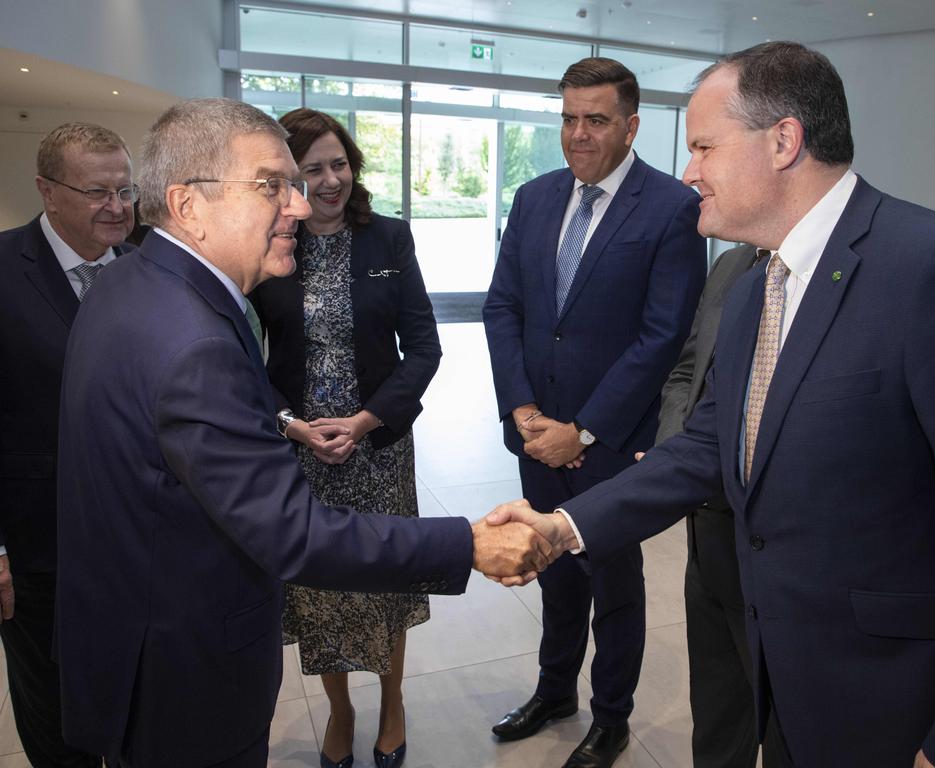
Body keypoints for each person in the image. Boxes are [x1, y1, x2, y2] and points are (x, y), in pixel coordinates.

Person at [489, 41, 935, 768]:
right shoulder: (749, 291)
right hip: (782, 677)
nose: (689, 170)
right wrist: (563, 528)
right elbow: (706, 448)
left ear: (783, 142)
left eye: (705, 146)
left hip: (897, 711)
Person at [54, 97, 551, 768]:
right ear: (189, 205)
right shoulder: (190, 337)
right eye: (272, 185)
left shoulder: (130, 283)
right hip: (183, 673)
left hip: (135, 642)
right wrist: (468, 543)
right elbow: (293, 532)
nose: (297, 203)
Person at [482, 57, 706, 768]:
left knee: (613, 583)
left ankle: (610, 717)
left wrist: (582, 429)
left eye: (597, 120)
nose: (578, 135)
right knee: (552, 571)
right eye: (569, 118)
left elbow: (662, 336)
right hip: (535, 432)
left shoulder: (672, 208)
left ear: (631, 125)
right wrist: (524, 411)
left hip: (609, 443)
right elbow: (504, 308)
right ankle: (555, 692)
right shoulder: (535, 197)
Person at [248, 107, 440, 768]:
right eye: (313, 168)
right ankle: (339, 709)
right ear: (287, 180)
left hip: (377, 447)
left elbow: (423, 348)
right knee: (321, 588)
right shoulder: (269, 245)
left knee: (385, 581)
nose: (332, 179)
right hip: (302, 454)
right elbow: (241, 358)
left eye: (340, 163)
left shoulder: (389, 239)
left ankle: (391, 704)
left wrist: (364, 421)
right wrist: (291, 425)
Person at [0, 121, 137, 768]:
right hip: (39, 554)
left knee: (135, 717)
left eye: (125, 190)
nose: (117, 207)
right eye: (97, 192)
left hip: (138, 553)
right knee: (59, 731)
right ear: (47, 191)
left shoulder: (145, 269)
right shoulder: (2, 270)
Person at [655, 244, 782, 768]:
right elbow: (688, 372)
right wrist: (675, 455)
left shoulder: (912, 265)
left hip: (781, 556)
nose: (690, 174)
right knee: (716, 715)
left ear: (781, 153)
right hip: (707, 537)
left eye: (707, 154)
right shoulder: (733, 266)